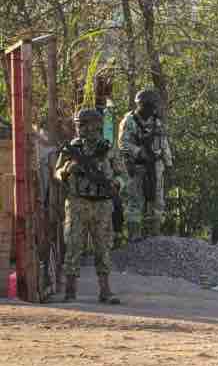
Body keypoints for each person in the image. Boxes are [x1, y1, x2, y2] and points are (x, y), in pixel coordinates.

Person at [54, 108, 125, 304]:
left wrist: (116, 184)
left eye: (85, 124)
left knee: (103, 248)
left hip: (102, 204)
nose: (82, 128)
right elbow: (57, 173)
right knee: (73, 246)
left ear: (96, 126)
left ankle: (105, 291)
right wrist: (68, 169)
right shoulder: (72, 148)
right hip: (77, 203)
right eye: (79, 124)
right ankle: (70, 292)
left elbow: (122, 174)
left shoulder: (107, 148)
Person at [118, 89, 173, 241]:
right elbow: (122, 144)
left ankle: (154, 234)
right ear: (142, 105)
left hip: (155, 165)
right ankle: (134, 235)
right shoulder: (129, 121)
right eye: (151, 105)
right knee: (135, 199)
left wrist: (168, 163)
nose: (153, 109)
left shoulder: (157, 121)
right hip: (137, 166)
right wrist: (138, 152)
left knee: (157, 199)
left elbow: (163, 142)